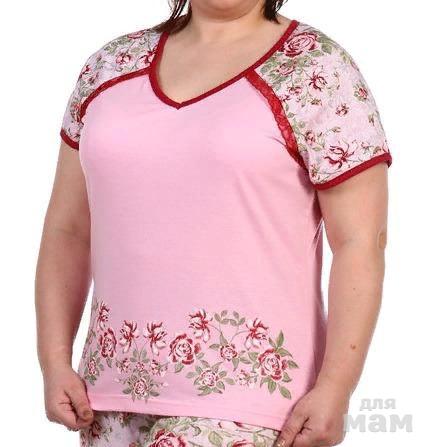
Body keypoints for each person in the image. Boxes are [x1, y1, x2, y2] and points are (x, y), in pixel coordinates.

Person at [35, 1, 392, 446]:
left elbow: (361, 241)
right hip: (106, 396)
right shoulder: (110, 66)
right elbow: (69, 229)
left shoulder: (315, 68)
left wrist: (336, 387)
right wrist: (54, 360)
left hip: (247, 403)